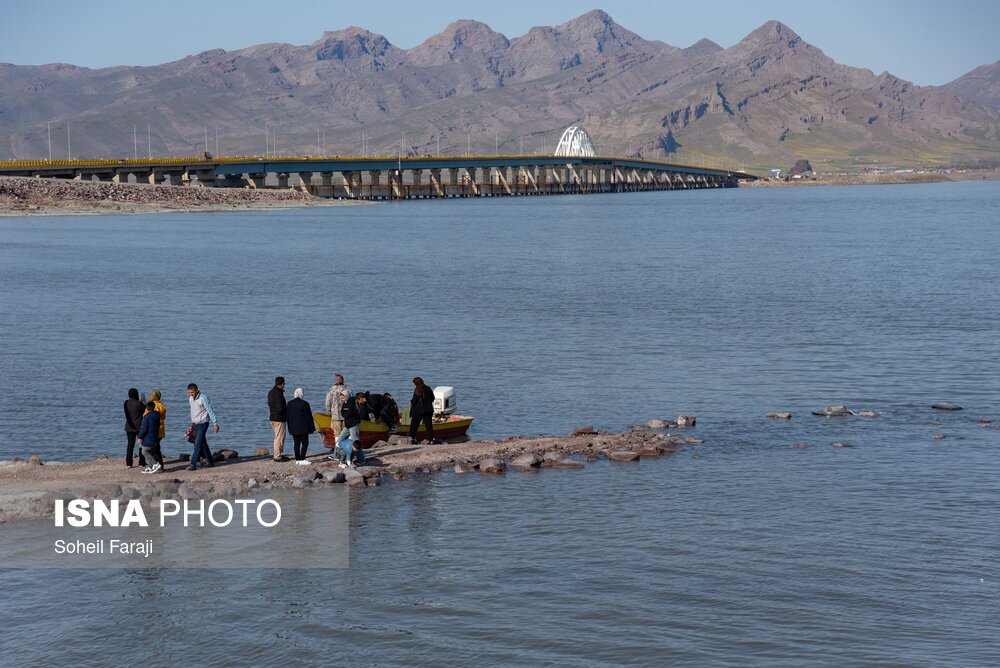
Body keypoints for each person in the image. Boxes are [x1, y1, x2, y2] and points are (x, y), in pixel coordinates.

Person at [187, 383, 219, 471]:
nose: (191, 394)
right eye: (189, 393)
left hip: (203, 424)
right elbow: (193, 411)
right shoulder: (190, 398)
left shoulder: (203, 398)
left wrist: (215, 423)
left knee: (197, 443)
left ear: (196, 390)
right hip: (195, 424)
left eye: (192, 392)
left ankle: (193, 464)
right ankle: (210, 461)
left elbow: (210, 410)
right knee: (202, 443)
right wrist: (192, 425)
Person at [330, 392, 366, 468]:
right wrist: (347, 414)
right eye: (340, 397)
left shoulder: (352, 402)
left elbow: (349, 413)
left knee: (356, 443)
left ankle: (362, 460)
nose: (341, 398)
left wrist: (348, 414)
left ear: (346, 396)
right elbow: (343, 414)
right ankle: (337, 456)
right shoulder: (345, 403)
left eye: (343, 396)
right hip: (347, 426)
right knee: (339, 440)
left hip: (353, 426)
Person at [286, 387, 316, 465]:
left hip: (293, 428)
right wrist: (312, 428)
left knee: (296, 443)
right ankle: (302, 459)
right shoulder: (304, 403)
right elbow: (308, 417)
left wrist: (289, 428)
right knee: (305, 443)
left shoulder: (289, 403)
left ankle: (297, 459)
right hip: (303, 428)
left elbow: (288, 417)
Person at [324, 374, 352, 447]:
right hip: (347, 415)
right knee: (347, 433)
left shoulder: (331, 390)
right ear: (343, 380)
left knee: (337, 434)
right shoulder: (348, 389)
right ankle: (347, 448)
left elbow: (327, 403)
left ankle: (338, 449)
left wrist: (329, 411)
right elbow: (352, 401)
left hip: (336, 415)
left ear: (335, 381)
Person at [137, 400, 164, 473]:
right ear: (154, 407)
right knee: (151, 452)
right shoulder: (157, 415)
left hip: (148, 437)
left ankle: (155, 464)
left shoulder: (146, 417)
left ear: (147, 408)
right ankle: (150, 466)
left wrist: (140, 437)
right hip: (155, 436)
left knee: (144, 451)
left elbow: (144, 428)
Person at [123, 388, 147, 468]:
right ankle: (141, 462)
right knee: (141, 445)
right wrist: (144, 402)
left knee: (130, 445)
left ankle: (129, 463)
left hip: (129, 427)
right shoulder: (139, 404)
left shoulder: (126, 403)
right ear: (136, 394)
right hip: (139, 427)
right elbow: (146, 410)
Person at [409, 377, 435, 443]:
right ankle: (430, 440)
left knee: (414, 424)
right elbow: (432, 398)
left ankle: (412, 438)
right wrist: (428, 402)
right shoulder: (428, 388)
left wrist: (411, 402)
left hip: (419, 410)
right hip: (429, 409)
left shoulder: (417, 389)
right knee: (428, 425)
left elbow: (415, 399)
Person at [267, 376, 288, 462]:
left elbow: (269, 404)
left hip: (272, 417)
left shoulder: (271, 392)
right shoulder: (279, 394)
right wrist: (286, 410)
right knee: (279, 438)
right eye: (284, 384)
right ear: (282, 384)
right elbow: (280, 408)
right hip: (279, 418)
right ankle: (277, 456)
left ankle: (278, 454)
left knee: (278, 437)